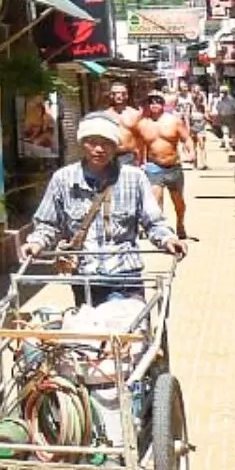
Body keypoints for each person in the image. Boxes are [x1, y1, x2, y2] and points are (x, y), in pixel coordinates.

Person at [22, 112, 185, 304]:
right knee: (87, 320)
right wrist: (36, 243)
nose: (99, 149)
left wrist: (168, 239)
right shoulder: (63, 179)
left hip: (126, 274)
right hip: (85, 275)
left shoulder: (135, 178)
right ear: (82, 143)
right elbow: (48, 224)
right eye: (92, 142)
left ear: (115, 145)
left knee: (128, 320)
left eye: (106, 143)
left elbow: (153, 222)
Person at [134, 91, 193, 240]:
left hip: (173, 167)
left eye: (158, 101)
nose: (154, 104)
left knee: (178, 202)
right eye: (151, 102)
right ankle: (160, 231)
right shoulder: (143, 124)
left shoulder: (174, 121)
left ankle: (180, 224)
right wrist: (139, 163)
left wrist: (191, 152)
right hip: (154, 167)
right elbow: (139, 145)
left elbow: (186, 138)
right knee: (155, 200)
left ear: (163, 104)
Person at [104, 82, 143, 166]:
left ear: (127, 95)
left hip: (130, 156)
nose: (119, 96)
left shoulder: (134, 114)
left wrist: (141, 159)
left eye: (122, 93)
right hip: (110, 156)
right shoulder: (105, 115)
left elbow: (140, 137)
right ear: (111, 95)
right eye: (115, 93)